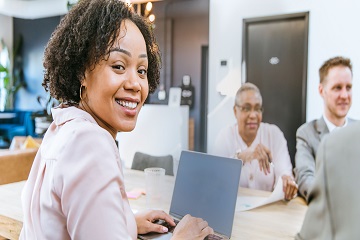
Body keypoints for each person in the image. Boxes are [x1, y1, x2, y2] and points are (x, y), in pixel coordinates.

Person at [19, 1, 213, 239]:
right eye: (119, 66)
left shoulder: (63, 127)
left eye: (141, 70)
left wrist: (125, 221)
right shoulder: (89, 143)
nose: (135, 84)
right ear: (81, 72)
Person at [213, 82, 297, 200]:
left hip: (267, 208)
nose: (253, 115)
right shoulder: (225, 136)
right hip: (235, 209)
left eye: (257, 108)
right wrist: (243, 156)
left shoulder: (273, 134)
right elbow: (216, 179)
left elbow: (284, 171)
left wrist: (286, 182)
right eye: (246, 108)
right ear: (235, 111)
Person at [294, 56, 354, 202]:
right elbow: (305, 178)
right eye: (337, 88)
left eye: (349, 87)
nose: (345, 95)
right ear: (321, 90)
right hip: (327, 214)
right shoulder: (306, 134)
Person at [295, 121, 360, 239]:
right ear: (322, 100)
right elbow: (305, 176)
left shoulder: (356, 131)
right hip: (323, 214)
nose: (344, 100)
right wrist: (327, 196)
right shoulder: (306, 132)